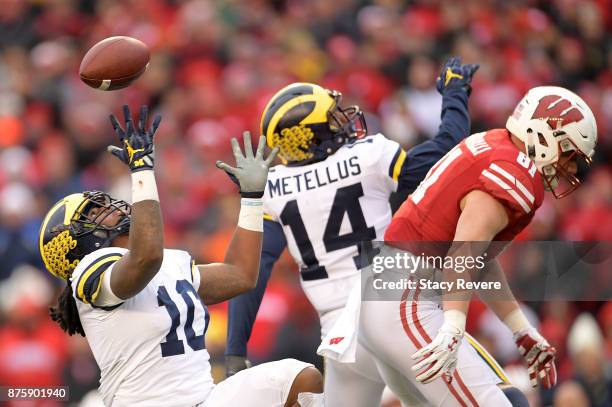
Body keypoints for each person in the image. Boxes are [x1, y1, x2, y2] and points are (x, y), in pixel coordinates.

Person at [225, 57, 482, 406]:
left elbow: (249, 274)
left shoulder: (273, 188)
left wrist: (234, 352)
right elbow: (447, 150)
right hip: (395, 313)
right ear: (311, 135)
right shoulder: (369, 156)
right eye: (331, 117)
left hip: (340, 341)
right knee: (501, 398)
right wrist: (455, 94)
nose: (342, 119)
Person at [39, 105, 323, 407]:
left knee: (300, 379)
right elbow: (145, 258)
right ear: (74, 243)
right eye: (94, 212)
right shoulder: (89, 270)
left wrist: (252, 200)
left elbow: (240, 275)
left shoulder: (168, 261)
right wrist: (142, 169)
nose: (110, 207)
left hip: (204, 399)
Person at [354, 86, 598, 406]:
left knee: (510, 397)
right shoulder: (516, 170)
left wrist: (520, 329)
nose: (569, 168)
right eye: (568, 153)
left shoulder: (497, 144)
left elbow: (476, 256)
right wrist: (454, 325)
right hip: (406, 297)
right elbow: (464, 252)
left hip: (388, 291)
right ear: (545, 132)